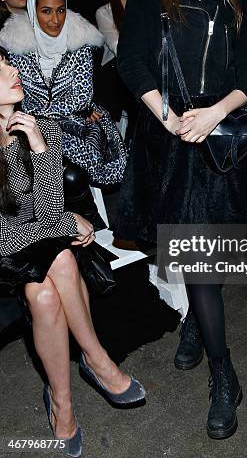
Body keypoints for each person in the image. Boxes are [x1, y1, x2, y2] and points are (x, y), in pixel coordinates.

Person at [115, 0, 247, 439]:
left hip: (220, 140)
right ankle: (202, 339)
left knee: (207, 261)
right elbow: (131, 60)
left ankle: (222, 371)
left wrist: (215, 112)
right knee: (187, 252)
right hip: (168, 137)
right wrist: (169, 116)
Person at [0, 47, 145, 457]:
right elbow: (7, 233)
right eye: (0, 67)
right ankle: (98, 362)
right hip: (5, 252)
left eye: (8, 62)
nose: (12, 69)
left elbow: (41, 210)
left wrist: (40, 149)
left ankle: (62, 403)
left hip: (36, 248)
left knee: (44, 292)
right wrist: (67, 223)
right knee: (59, 258)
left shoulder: (37, 123)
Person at [0, 0, 127, 189]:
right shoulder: (16, 47)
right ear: (33, 12)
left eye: (61, 10)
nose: (55, 19)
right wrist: (42, 113)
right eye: (46, 11)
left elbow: (81, 97)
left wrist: (42, 111)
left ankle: (83, 211)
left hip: (76, 120)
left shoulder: (81, 43)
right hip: (30, 123)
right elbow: (19, 98)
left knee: (80, 162)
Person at [95, 0, 138, 122]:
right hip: (115, 75)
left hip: (141, 73)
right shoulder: (104, 12)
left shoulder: (148, 9)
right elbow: (117, 46)